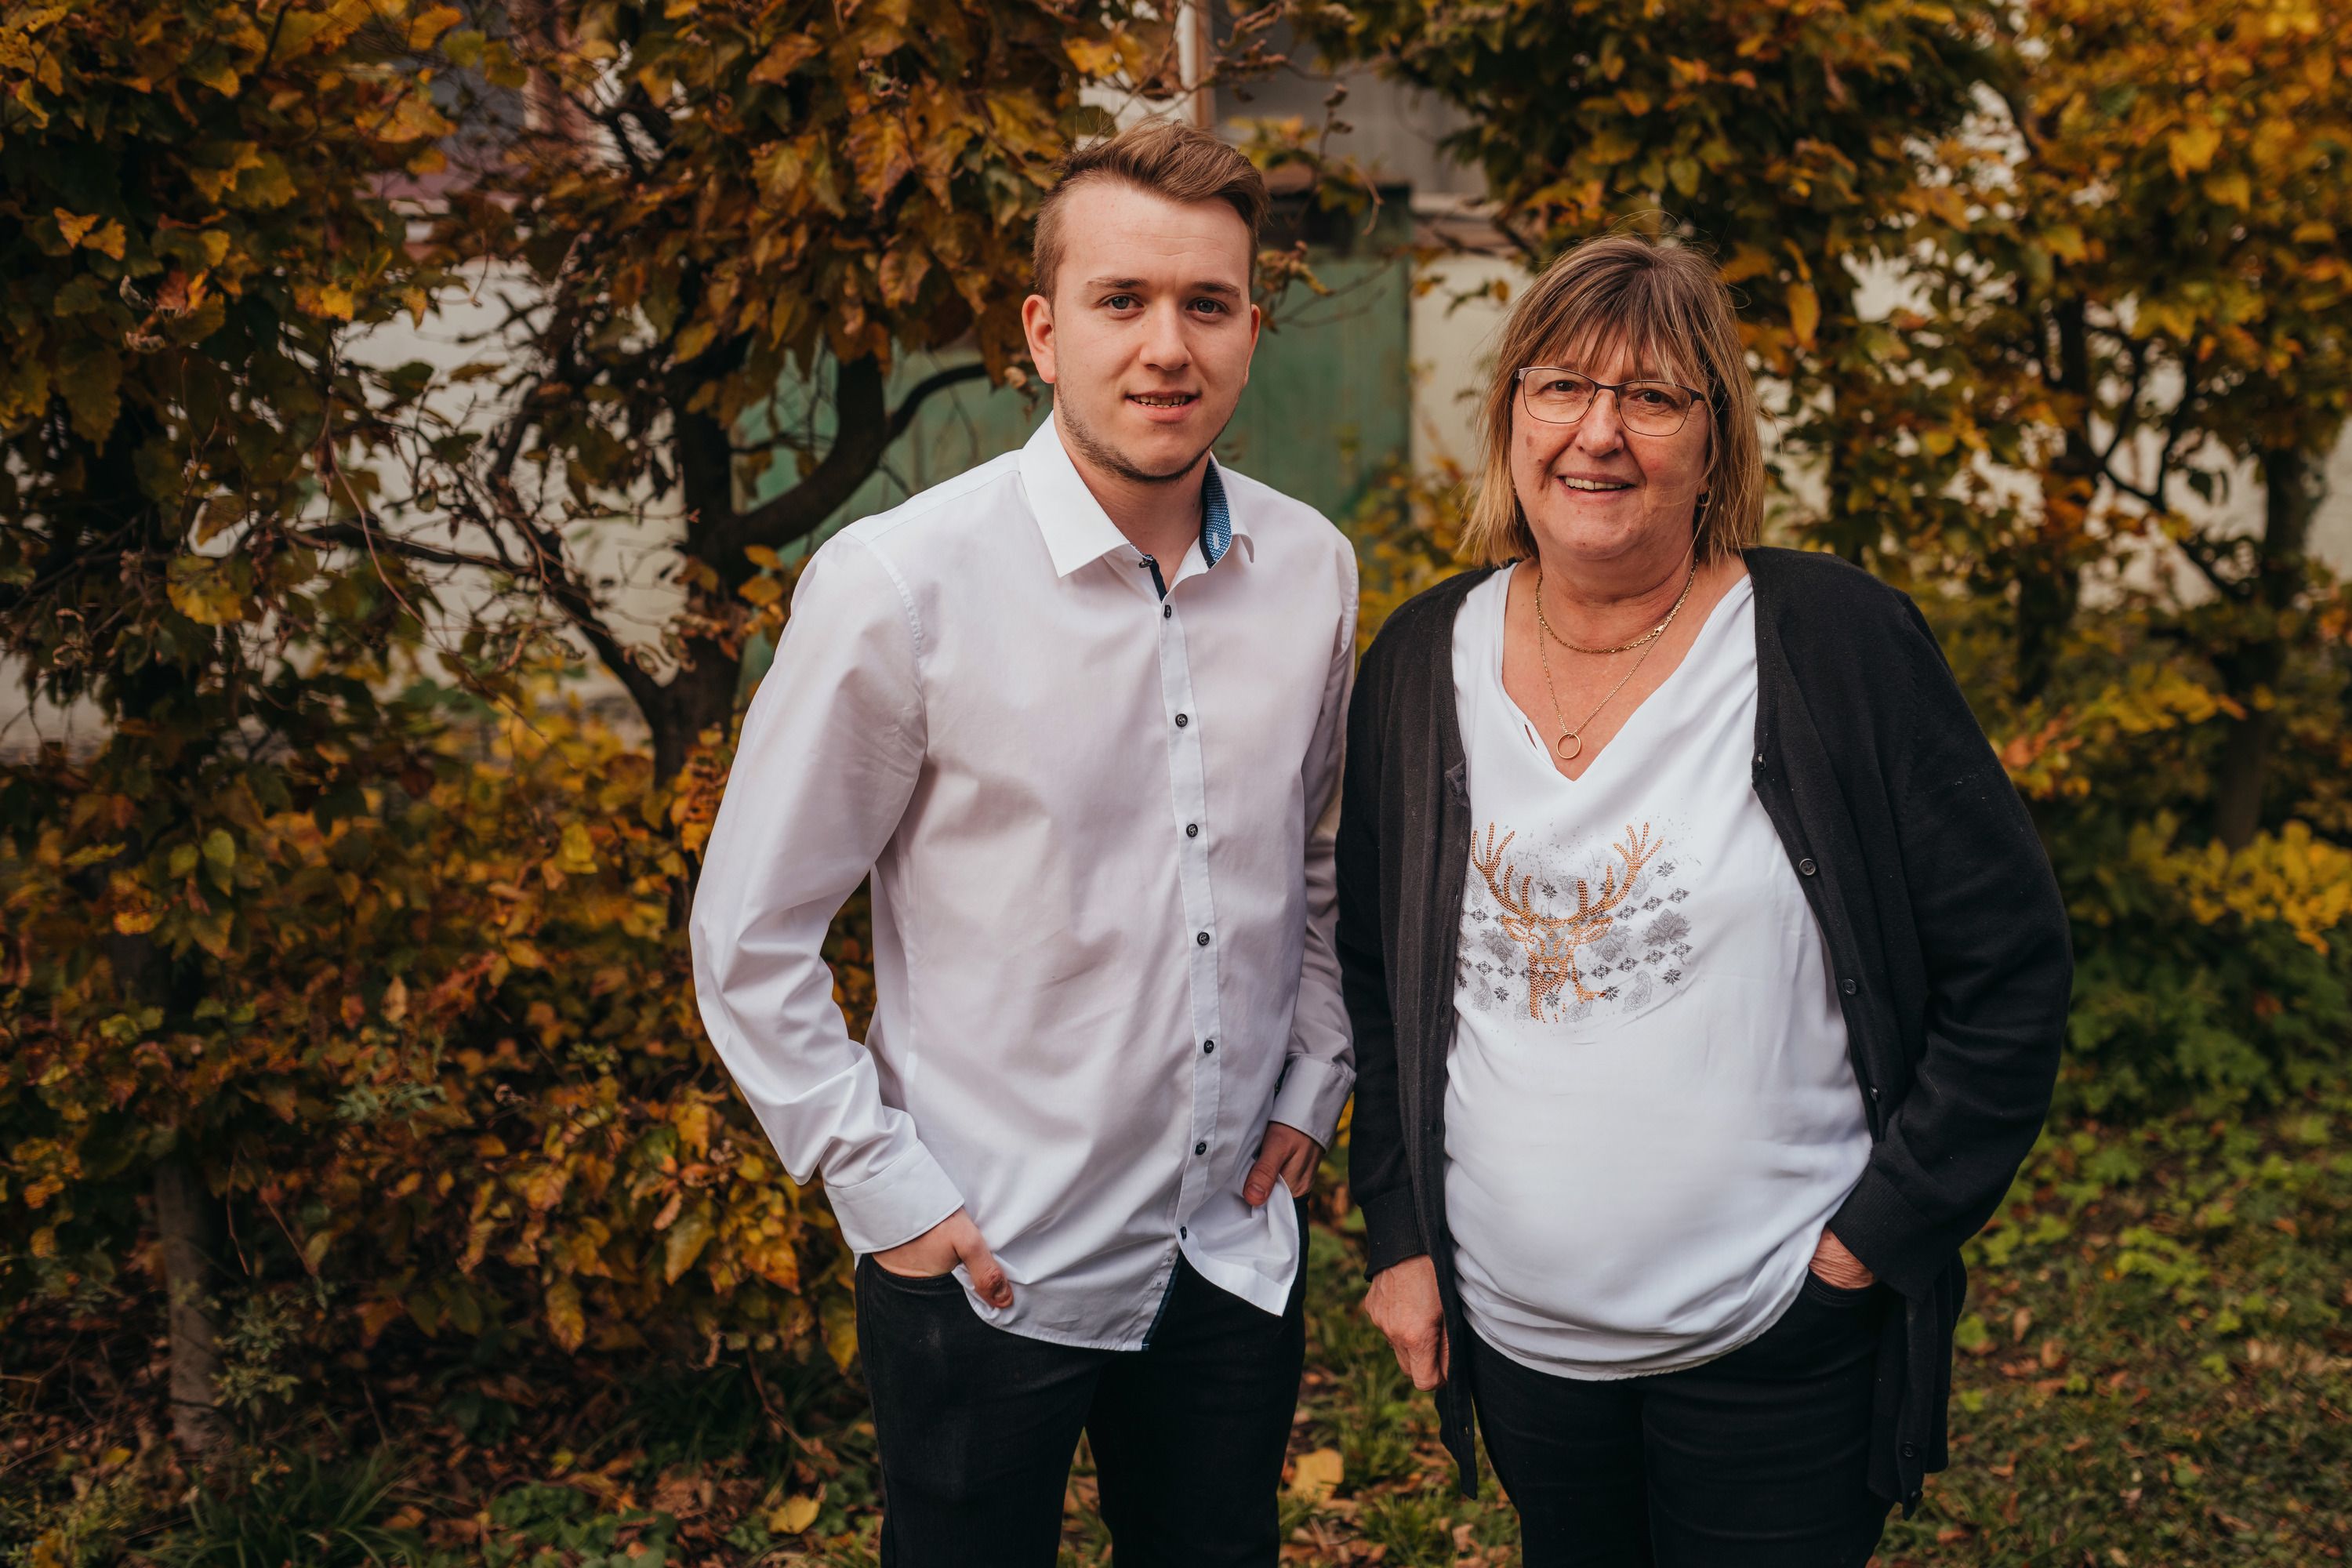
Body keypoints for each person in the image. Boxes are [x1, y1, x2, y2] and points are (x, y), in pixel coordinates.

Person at [1336, 234, 2071, 1567]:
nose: (1597, 435)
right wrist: (1398, 1233)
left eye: (1653, 398)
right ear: (1509, 417)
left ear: (1715, 438)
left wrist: (1871, 1243)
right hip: (1526, 1350)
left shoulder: (1832, 648)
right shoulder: (1415, 663)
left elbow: (2012, 972)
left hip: (1779, 1346)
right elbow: (1377, 980)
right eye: (1560, 388)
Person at [688, 119, 1358, 1568]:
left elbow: (1313, 856)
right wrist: (888, 1194)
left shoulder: (1312, 570)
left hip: (1226, 1249)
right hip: (985, 1260)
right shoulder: (901, 586)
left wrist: (1320, 1063)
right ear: (1044, 334)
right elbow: (748, 934)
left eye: (1208, 304)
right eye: (1123, 302)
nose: (1166, 346)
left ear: (1252, 329)